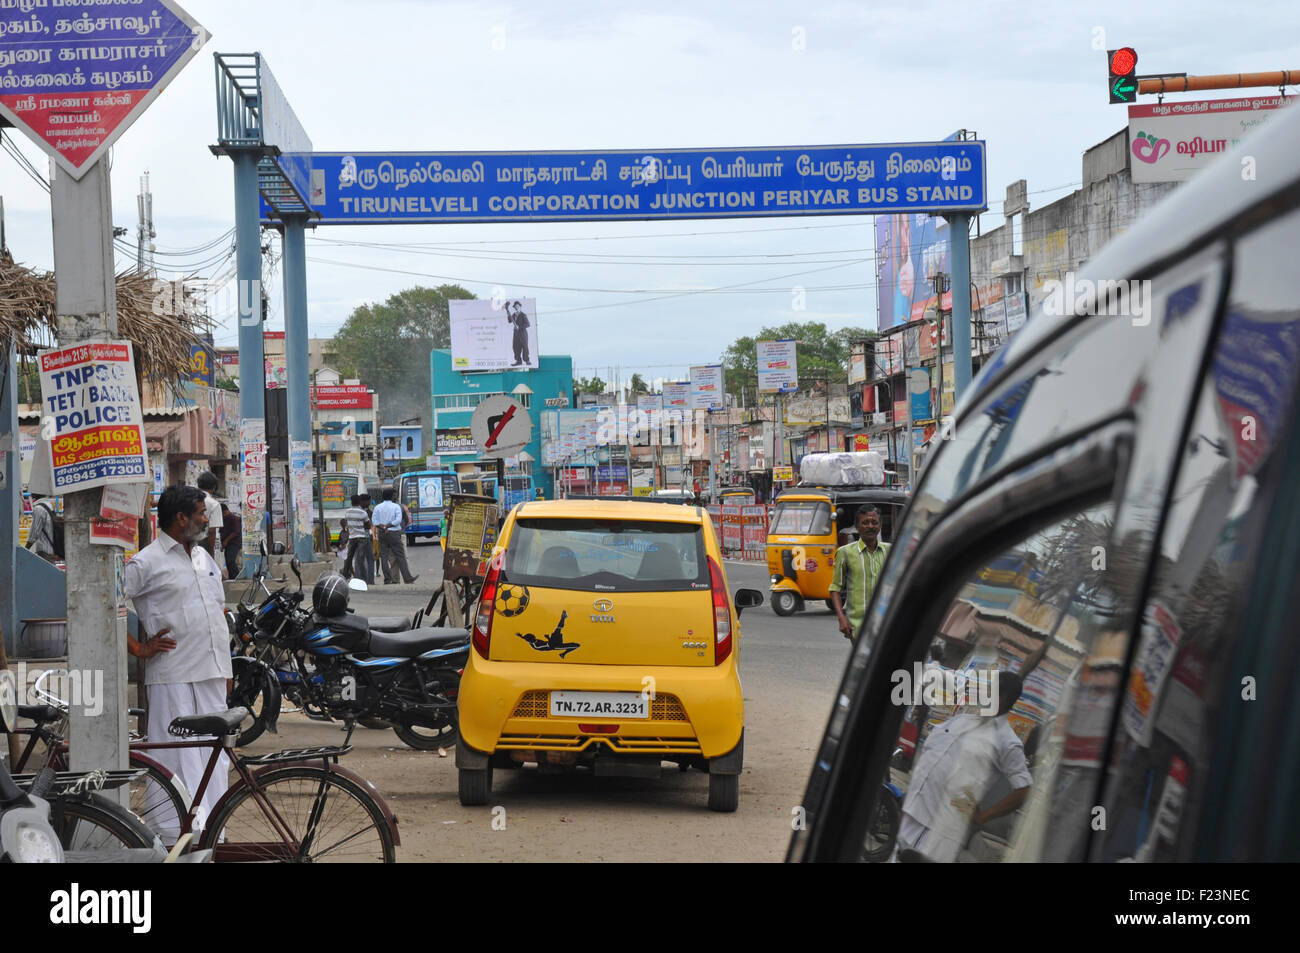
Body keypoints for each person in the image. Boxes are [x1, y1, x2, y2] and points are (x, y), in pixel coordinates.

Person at [123, 484, 233, 839]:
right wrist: (138, 649)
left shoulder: (203, 557)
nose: (205, 519)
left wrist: (226, 667)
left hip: (212, 673)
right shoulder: (146, 561)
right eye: (200, 513)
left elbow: (217, 611)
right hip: (173, 673)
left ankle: (215, 829)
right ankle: (174, 835)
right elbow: (107, 604)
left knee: (215, 756)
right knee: (175, 756)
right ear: (180, 518)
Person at [894, 670, 1032, 863]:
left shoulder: (1007, 742)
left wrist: (983, 816)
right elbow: (932, 758)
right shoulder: (963, 720)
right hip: (913, 811)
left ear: (1003, 698)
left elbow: (1023, 790)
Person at [829, 505, 891, 641]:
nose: (870, 526)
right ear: (857, 527)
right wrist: (841, 618)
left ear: (879, 526)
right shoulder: (845, 553)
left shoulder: (890, 552)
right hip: (858, 629)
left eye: (874, 522)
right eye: (865, 523)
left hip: (887, 627)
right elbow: (835, 589)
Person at [373, 487, 417, 585]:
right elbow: (398, 520)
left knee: (384, 556)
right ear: (391, 496)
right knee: (400, 556)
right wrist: (388, 526)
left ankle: (387, 579)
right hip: (394, 533)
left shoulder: (377, 507)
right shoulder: (396, 506)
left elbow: (375, 521)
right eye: (394, 495)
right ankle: (407, 578)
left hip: (382, 533)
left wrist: (383, 527)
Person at [342, 494, 374, 584]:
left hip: (352, 537)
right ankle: (365, 579)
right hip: (361, 537)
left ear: (351, 502)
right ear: (359, 502)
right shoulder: (362, 513)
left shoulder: (347, 512)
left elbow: (347, 523)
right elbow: (368, 525)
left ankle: (344, 576)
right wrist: (360, 525)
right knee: (360, 559)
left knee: (349, 558)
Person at [196, 471, 223, 558]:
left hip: (184, 542)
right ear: (214, 487)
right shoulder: (214, 504)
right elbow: (212, 531)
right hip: (202, 543)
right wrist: (211, 553)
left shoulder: (189, 498)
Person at [26, 493, 60, 563]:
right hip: (52, 548)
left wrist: (26, 549)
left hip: (45, 551)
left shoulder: (39, 509)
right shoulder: (48, 505)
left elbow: (34, 532)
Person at [218, 501, 242, 580]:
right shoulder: (224, 519)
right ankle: (232, 578)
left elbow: (236, 532)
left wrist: (226, 541)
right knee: (228, 561)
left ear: (225, 511)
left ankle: (236, 577)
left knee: (230, 560)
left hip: (234, 543)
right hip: (227, 543)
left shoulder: (233, 518)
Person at [506, 300, 531, 366]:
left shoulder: (523, 315)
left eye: (517, 306)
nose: (516, 307)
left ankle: (527, 360)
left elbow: (528, 324)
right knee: (515, 347)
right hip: (516, 334)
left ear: (520, 307)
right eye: (515, 306)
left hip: (523, 334)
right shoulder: (514, 315)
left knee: (524, 347)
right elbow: (509, 321)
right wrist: (507, 312)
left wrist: (519, 327)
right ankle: (518, 361)